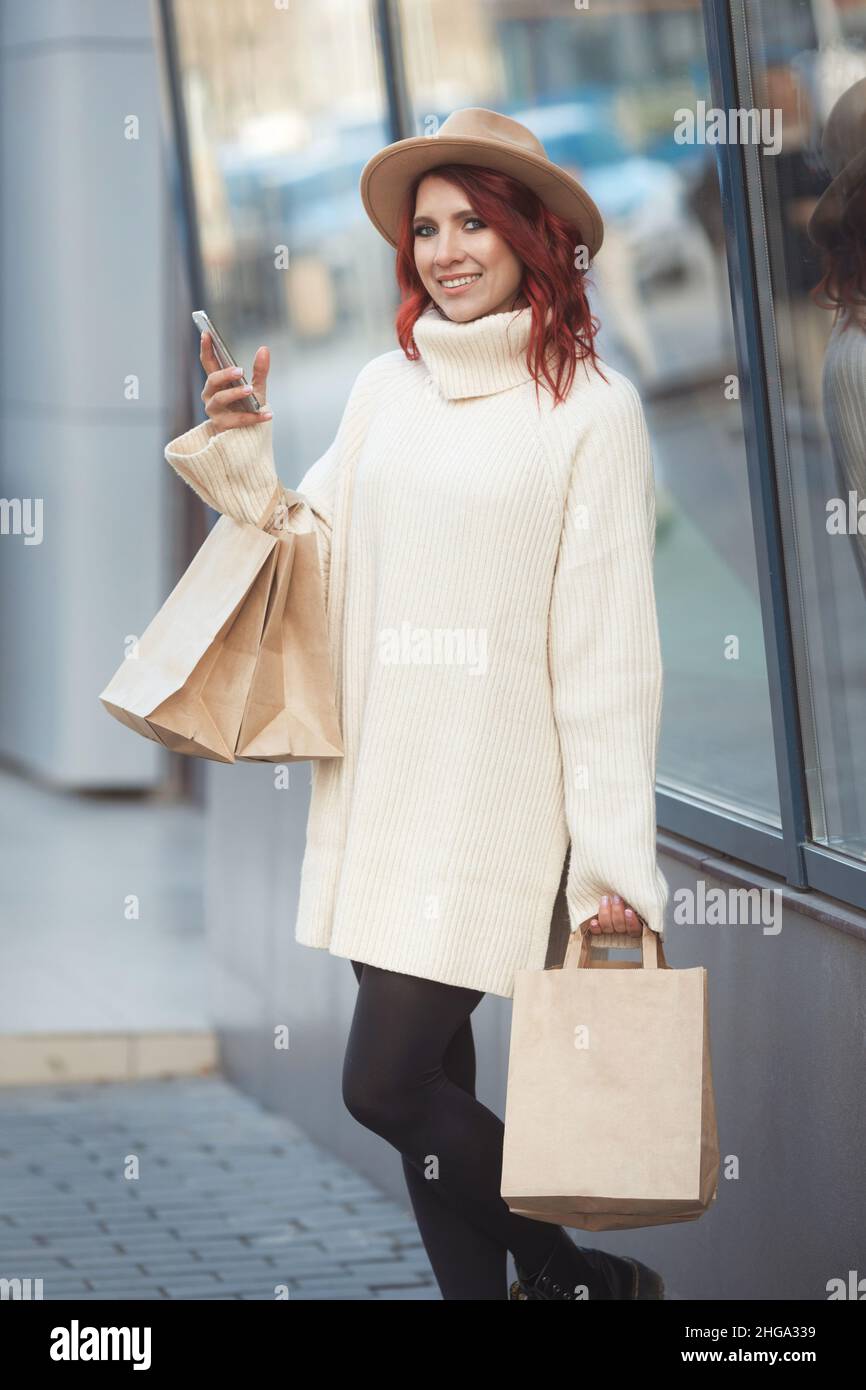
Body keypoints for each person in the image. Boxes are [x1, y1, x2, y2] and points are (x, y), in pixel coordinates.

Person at [165, 107, 669, 1301]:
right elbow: (304, 548)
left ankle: (583, 1276)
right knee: (429, 1092)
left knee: (381, 1085)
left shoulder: (594, 414)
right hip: (383, 792)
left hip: (495, 818)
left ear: (530, 237)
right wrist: (240, 450)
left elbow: (606, 661)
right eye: (425, 231)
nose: (443, 250)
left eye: (471, 224)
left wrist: (611, 879)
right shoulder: (387, 393)